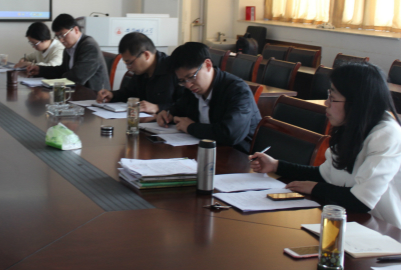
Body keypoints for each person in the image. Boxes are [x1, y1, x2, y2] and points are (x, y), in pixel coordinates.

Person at [250, 62, 401, 228]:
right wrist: (276, 165)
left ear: (357, 102)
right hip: (352, 220)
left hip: (384, 229)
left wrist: (315, 188)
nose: (326, 103)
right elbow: (325, 174)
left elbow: (361, 201)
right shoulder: (353, 125)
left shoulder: (386, 135)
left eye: (333, 98)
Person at [156, 42, 261, 153]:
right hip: (204, 151)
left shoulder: (238, 90)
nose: (188, 85)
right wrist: (168, 113)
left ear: (208, 65)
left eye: (191, 77)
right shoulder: (192, 89)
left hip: (238, 155)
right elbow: (180, 107)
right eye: (182, 81)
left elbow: (230, 133)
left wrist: (191, 127)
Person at [96, 32, 180, 115]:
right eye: (126, 64)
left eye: (130, 63)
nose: (128, 67)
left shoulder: (174, 70)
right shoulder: (141, 71)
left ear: (146, 55)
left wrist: (158, 107)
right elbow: (129, 93)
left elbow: (184, 105)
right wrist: (112, 95)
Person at [27, 14, 110, 91]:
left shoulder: (89, 46)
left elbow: (77, 77)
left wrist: (56, 80)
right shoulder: (69, 46)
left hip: (93, 95)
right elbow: (62, 70)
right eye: (58, 36)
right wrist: (40, 70)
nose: (61, 40)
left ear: (76, 30)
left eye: (63, 35)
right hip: (75, 92)